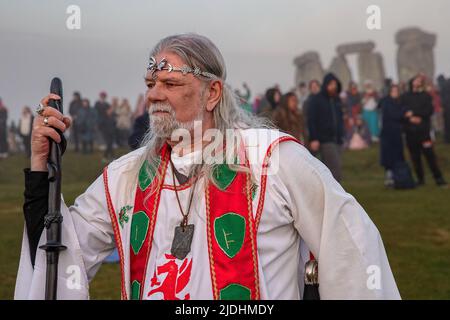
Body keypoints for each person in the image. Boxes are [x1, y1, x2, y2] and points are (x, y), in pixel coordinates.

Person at [16, 33, 399, 300]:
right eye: (151, 82)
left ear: (212, 92)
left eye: (168, 82)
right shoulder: (126, 176)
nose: (153, 94)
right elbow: (59, 254)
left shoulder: (273, 159)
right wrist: (39, 166)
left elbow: (350, 248)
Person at [401, 74, 447, 187]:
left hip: (424, 131)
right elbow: (403, 110)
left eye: (419, 80)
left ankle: (439, 178)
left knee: (430, 156)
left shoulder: (426, 96)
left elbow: (429, 110)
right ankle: (420, 180)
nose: (417, 82)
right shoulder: (405, 96)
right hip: (410, 131)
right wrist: (410, 118)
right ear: (411, 82)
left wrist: (415, 115)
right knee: (415, 157)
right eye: (416, 80)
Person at [307, 73, 345, 182]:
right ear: (325, 85)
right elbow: (311, 120)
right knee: (335, 170)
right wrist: (314, 138)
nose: (334, 86)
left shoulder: (337, 100)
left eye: (335, 84)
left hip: (337, 139)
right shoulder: (317, 100)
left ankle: (330, 194)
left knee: (332, 169)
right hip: (325, 140)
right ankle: (336, 195)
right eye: (331, 84)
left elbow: (340, 119)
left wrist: (342, 135)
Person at [378, 85, 408, 187]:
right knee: (389, 157)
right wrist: (404, 114)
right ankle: (390, 178)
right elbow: (392, 115)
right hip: (388, 134)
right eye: (393, 91)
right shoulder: (386, 102)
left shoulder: (397, 102)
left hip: (396, 133)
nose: (395, 93)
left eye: (397, 91)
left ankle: (398, 178)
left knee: (397, 156)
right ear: (390, 92)